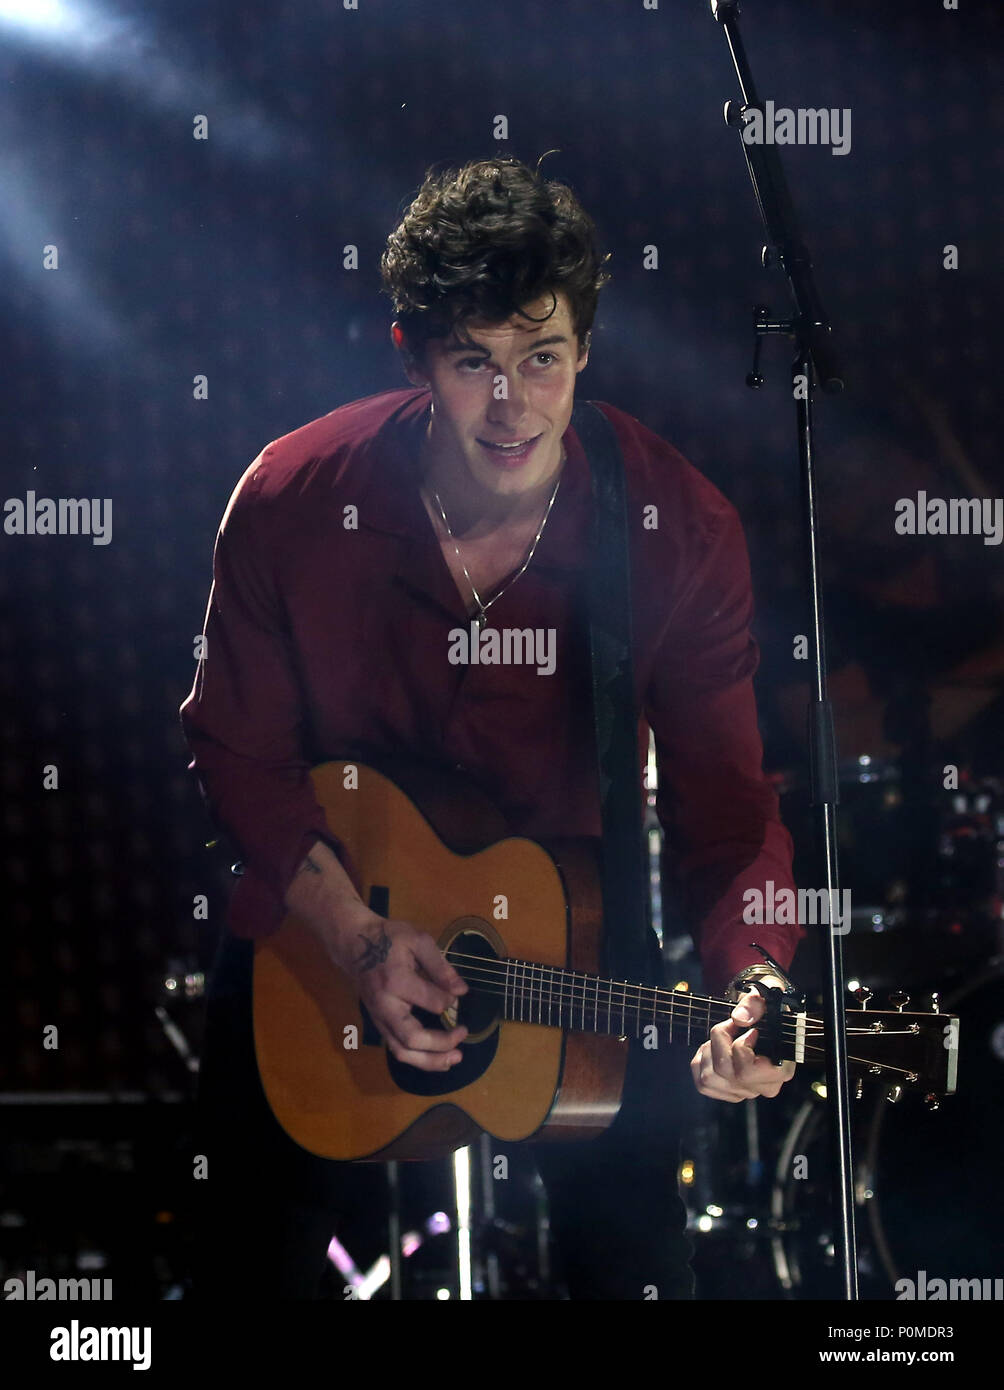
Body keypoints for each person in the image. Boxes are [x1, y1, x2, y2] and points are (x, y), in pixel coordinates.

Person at [179, 155, 801, 1300]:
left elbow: (727, 808)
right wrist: (360, 940)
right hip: (313, 935)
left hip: (575, 953)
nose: (512, 405)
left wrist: (753, 977)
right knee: (235, 1267)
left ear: (583, 352)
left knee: (636, 1276)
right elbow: (238, 752)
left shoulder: (676, 528)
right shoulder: (292, 497)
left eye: (542, 358)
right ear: (413, 354)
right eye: (474, 362)